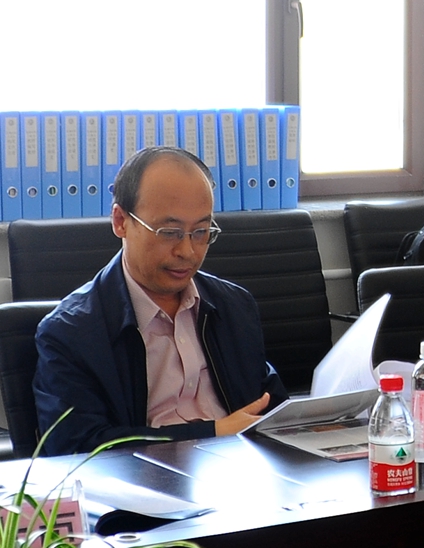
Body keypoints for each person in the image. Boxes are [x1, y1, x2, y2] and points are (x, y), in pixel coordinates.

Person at [34, 146, 288, 456]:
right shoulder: (70, 333)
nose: (187, 251)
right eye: (170, 232)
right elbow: (78, 447)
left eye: (201, 232)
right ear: (120, 221)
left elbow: (270, 407)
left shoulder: (233, 306)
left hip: (240, 469)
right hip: (140, 479)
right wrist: (214, 432)